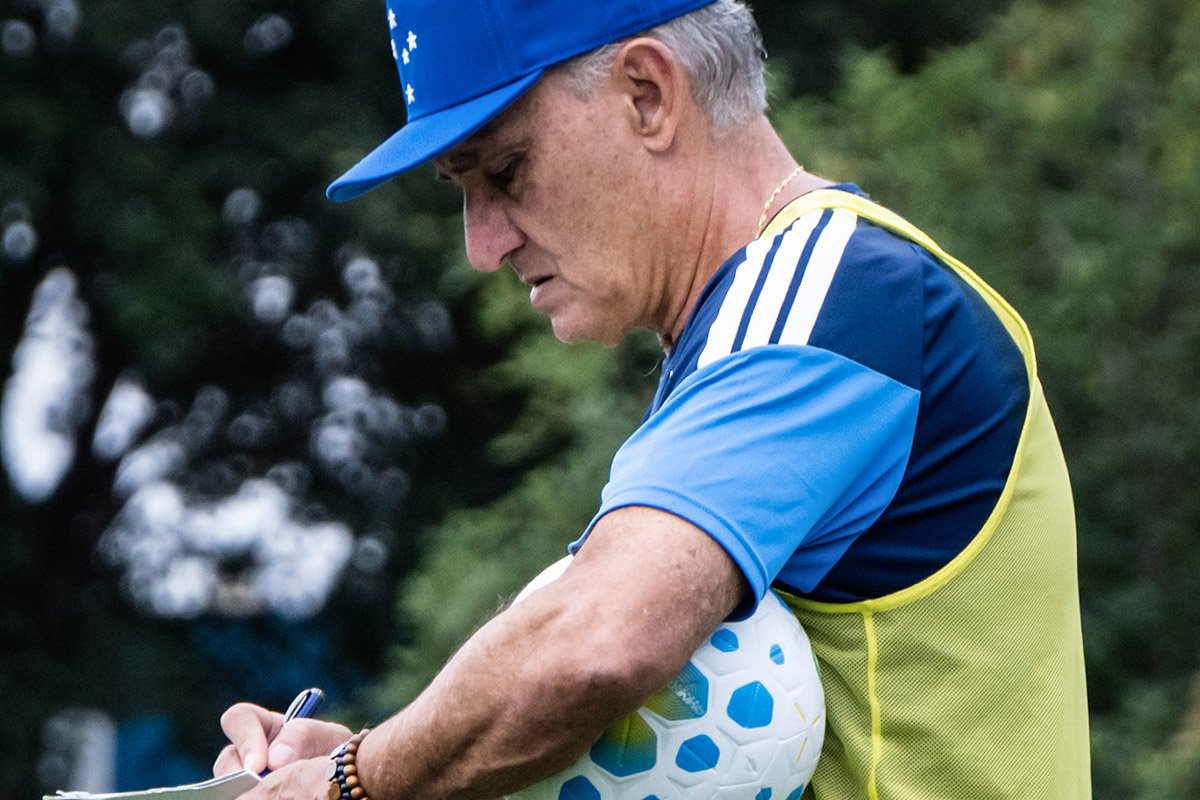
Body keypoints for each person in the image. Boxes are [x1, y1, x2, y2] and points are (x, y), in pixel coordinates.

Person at [215, 1, 1091, 797]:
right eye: (461, 189)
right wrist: (385, 752)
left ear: (647, 94)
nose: (483, 245)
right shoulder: (789, 314)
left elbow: (596, 647)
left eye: (505, 172)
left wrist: (355, 781)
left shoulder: (826, 301)